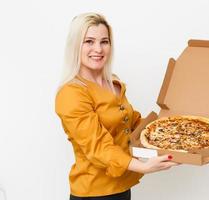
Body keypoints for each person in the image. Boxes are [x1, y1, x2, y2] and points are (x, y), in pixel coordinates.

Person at [55, 12, 178, 200]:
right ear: (75, 45)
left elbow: (133, 122)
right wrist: (144, 166)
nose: (98, 49)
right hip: (93, 193)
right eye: (89, 41)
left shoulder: (113, 82)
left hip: (122, 187)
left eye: (104, 41)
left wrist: (173, 131)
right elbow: (99, 147)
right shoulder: (71, 94)